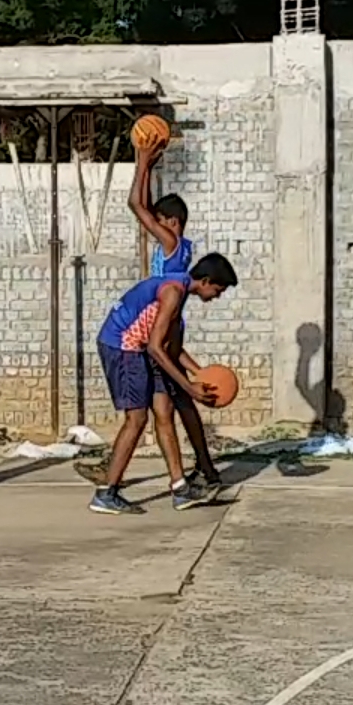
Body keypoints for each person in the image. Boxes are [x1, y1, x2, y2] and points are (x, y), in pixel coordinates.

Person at [77, 134, 222, 490]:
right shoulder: (181, 250)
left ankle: (183, 470)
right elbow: (143, 204)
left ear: (171, 223)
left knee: (162, 405)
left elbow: (134, 205)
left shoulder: (172, 243)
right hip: (161, 315)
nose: (152, 226)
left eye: (159, 221)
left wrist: (141, 159)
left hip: (157, 318)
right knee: (169, 404)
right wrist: (149, 169)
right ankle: (195, 471)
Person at [89, 253, 237, 515]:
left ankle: (180, 489)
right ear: (205, 281)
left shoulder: (179, 293)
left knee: (165, 410)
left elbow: (172, 347)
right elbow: (158, 349)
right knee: (136, 419)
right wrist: (190, 387)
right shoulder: (172, 292)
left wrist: (200, 374)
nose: (217, 296)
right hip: (123, 347)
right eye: (218, 289)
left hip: (142, 347)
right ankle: (106, 493)